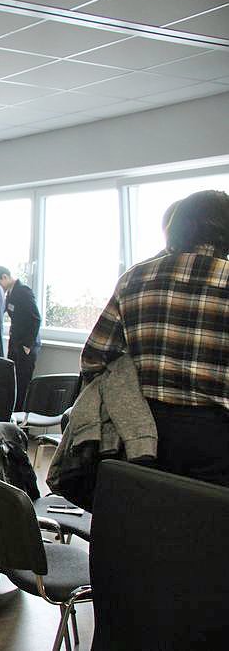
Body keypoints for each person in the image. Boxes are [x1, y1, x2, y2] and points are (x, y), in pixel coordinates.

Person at [82, 189, 229, 486]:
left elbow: (94, 358)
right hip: (217, 438)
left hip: (141, 432)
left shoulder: (135, 278)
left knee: (146, 511)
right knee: (206, 514)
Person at [0, 265, 41, 410]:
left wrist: (27, 346)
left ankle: (19, 415)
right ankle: (11, 414)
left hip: (25, 346)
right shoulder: (10, 294)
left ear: (5, 277)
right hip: (15, 344)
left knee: (22, 384)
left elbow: (36, 319)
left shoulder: (23, 291)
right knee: (12, 382)